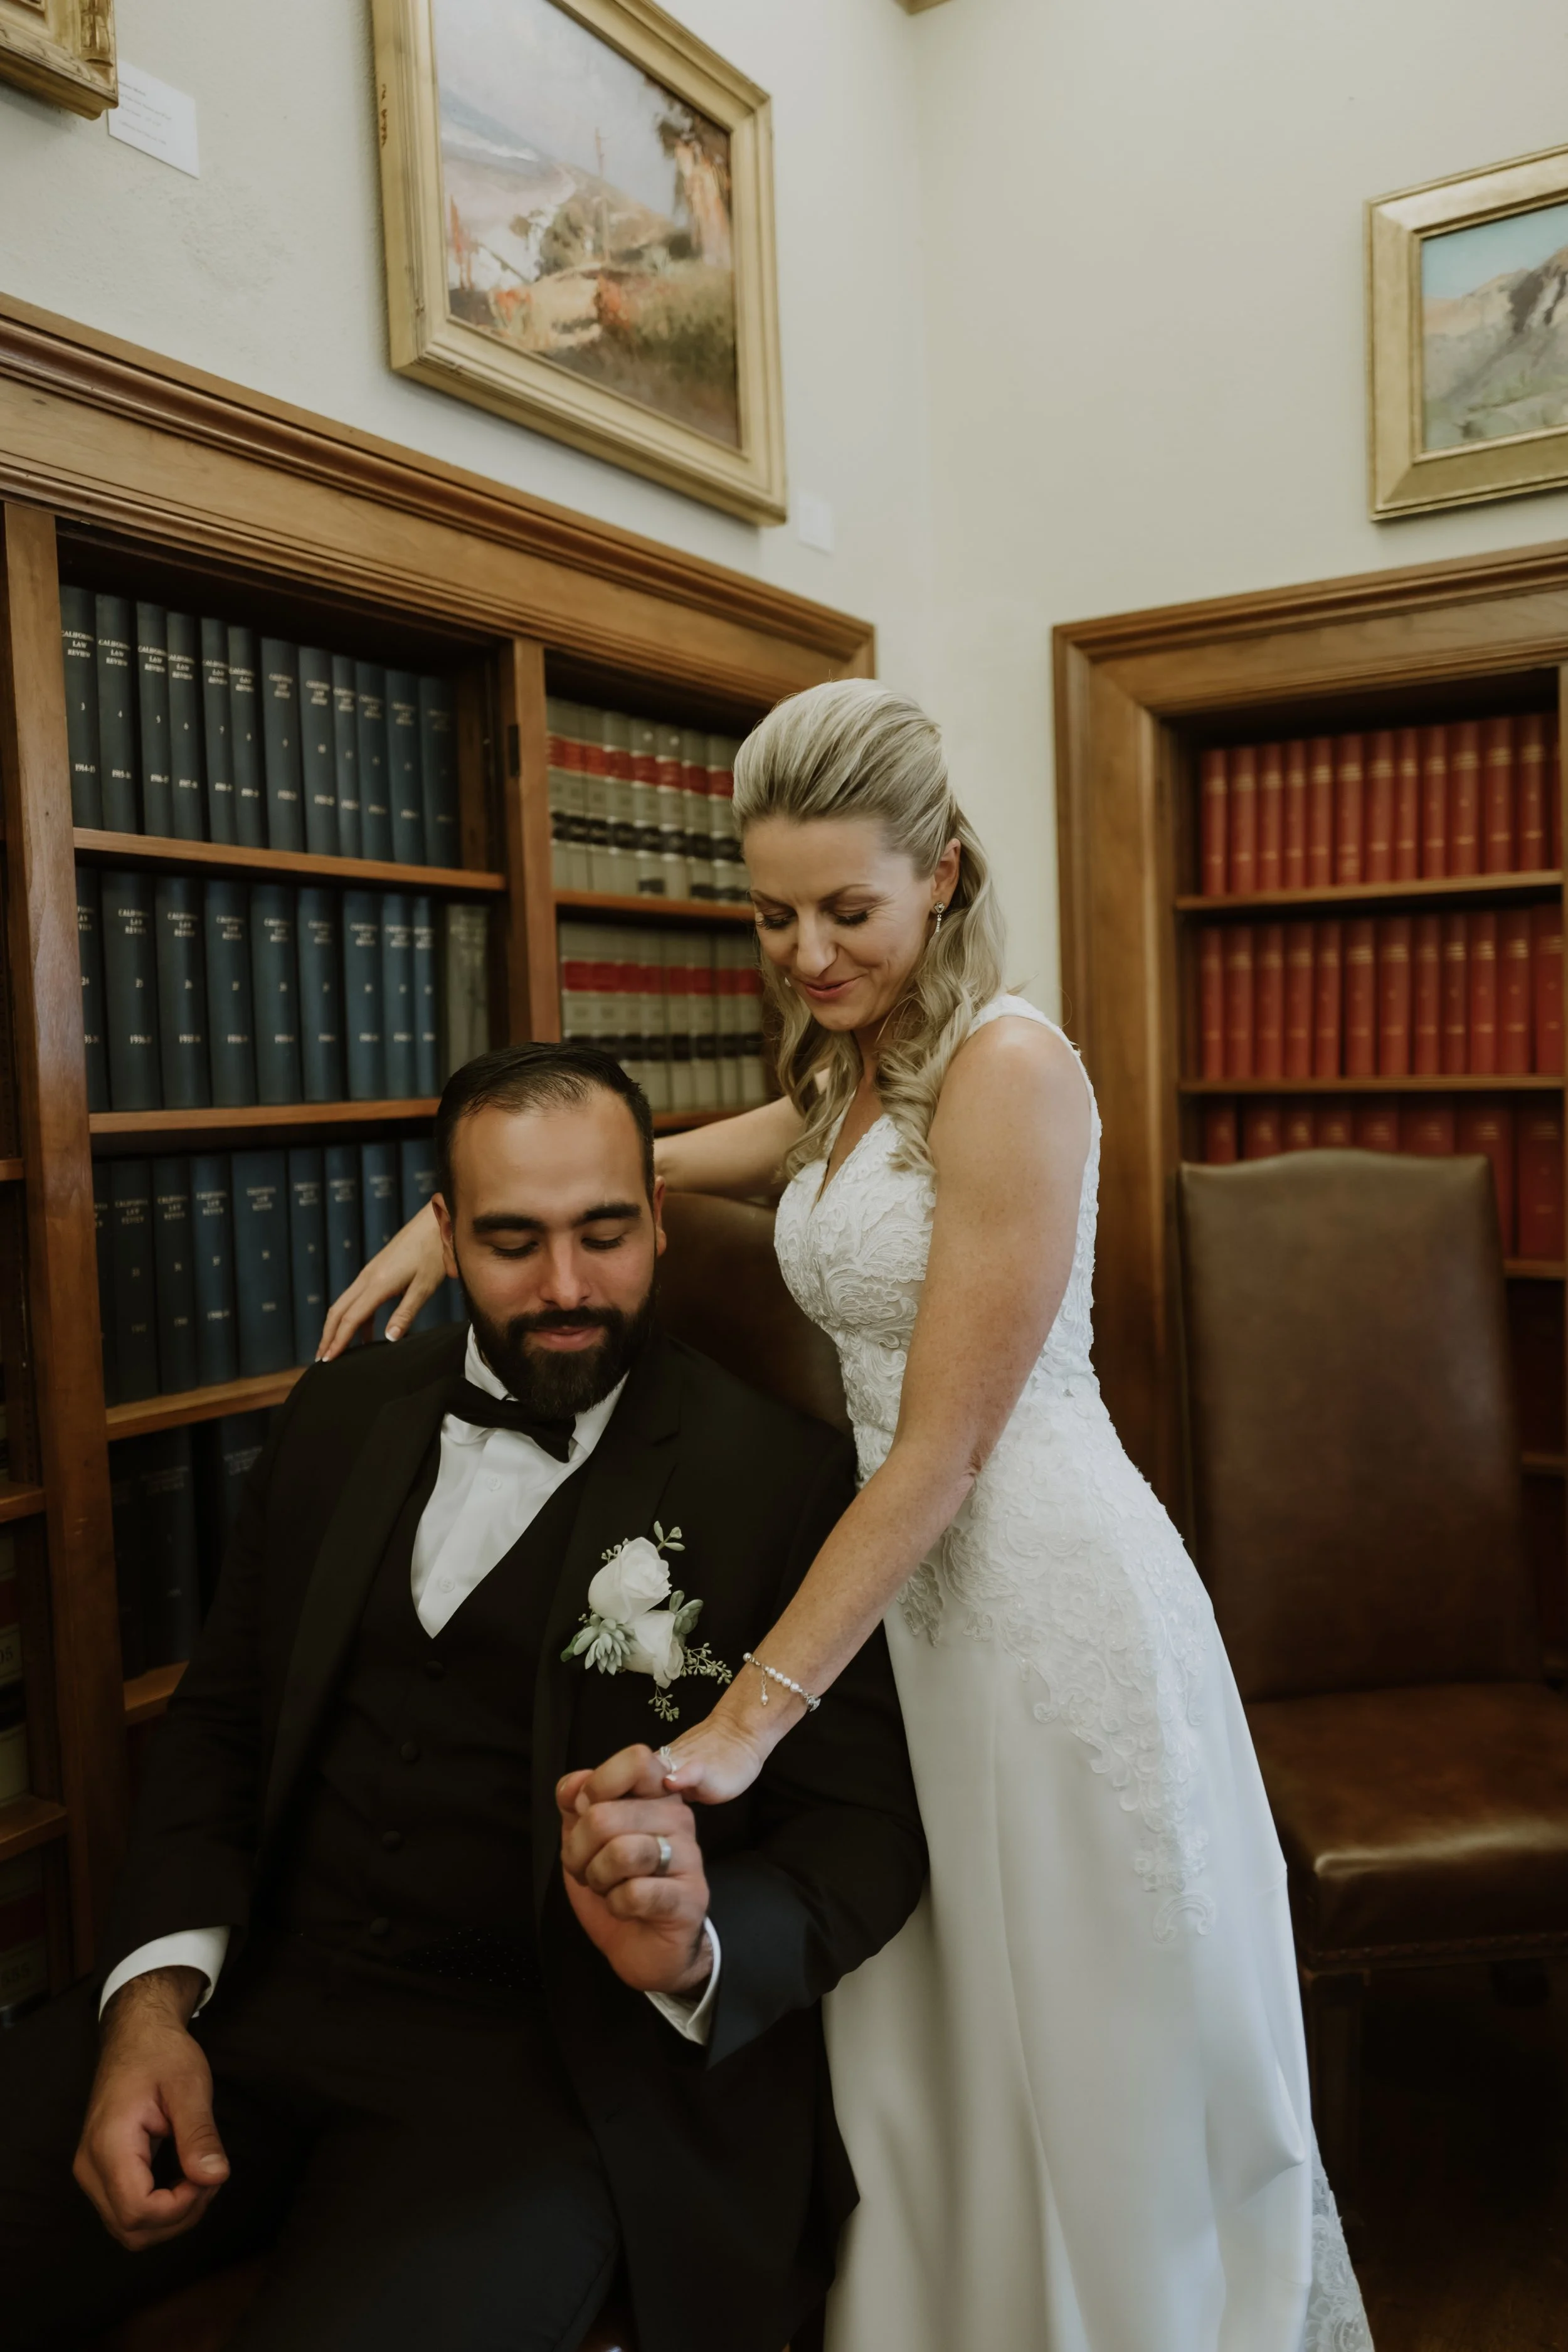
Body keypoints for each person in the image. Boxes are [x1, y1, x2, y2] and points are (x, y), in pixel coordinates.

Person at [321, 680, 1374, 2352]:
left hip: (1029, 1596)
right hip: (899, 1606)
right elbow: (692, 1158)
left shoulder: (1007, 1068)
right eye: (770, 915)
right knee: (940, 2014)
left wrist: (745, 1722)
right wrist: (466, 1222)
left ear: (939, 875)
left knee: (1081, 2023)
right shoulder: (857, 1066)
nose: (804, 952)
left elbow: (943, 1456)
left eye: (845, 910)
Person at [0, 1046, 925, 2352]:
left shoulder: (786, 1481)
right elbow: (220, 1725)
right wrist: (148, 2006)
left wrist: (699, 1943)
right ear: (443, 1231)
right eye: (511, 1241)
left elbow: (866, 1831)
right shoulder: (336, 1416)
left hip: (546, 2081)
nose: (567, 1286)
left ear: (659, 1218)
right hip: (256, 2006)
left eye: (605, 1233)